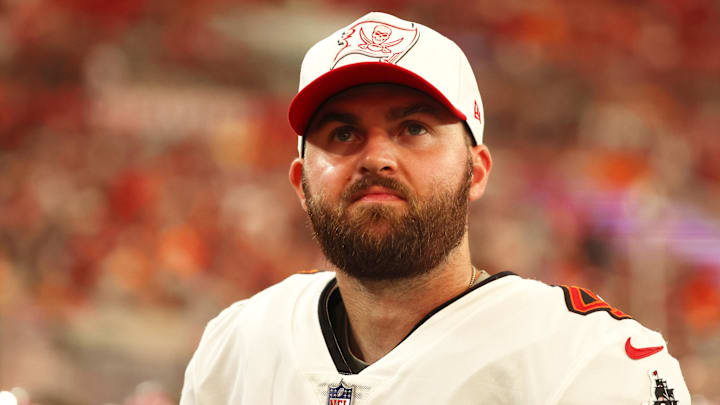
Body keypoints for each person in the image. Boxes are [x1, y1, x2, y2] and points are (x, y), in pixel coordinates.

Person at [180, 12, 690, 404]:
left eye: (414, 129)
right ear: (300, 182)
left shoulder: (589, 361)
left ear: (477, 171)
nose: (376, 157)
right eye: (342, 133)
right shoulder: (238, 343)